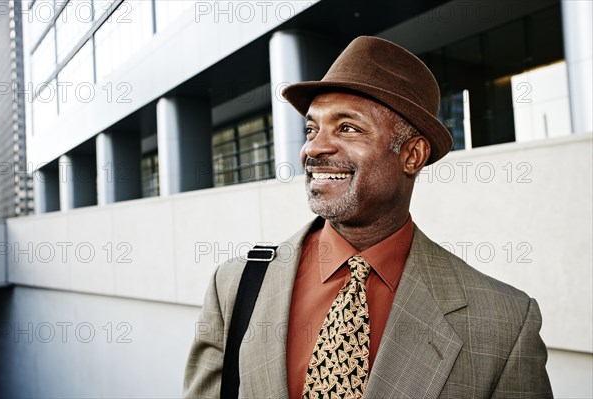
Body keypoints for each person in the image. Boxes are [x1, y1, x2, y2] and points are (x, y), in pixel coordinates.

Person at [183, 36, 552, 399]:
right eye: (312, 128)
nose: (314, 147)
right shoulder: (235, 284)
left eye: (347, 128)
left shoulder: (504, 321)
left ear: (412, 155)